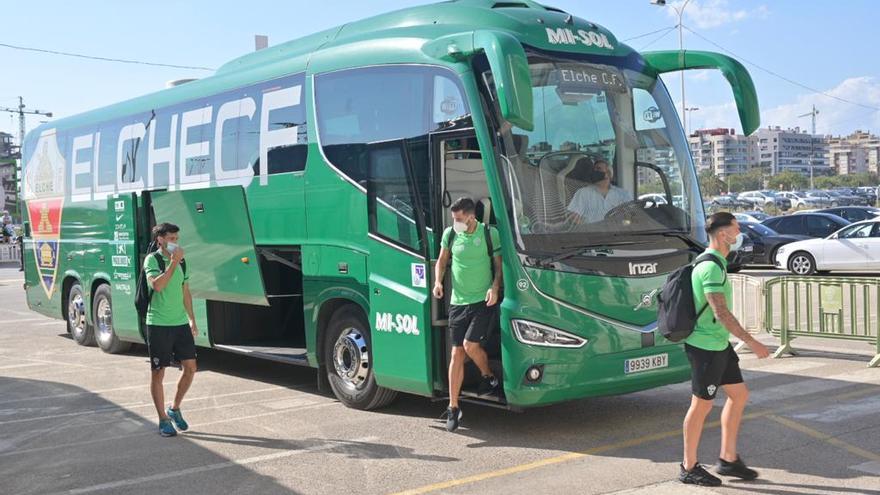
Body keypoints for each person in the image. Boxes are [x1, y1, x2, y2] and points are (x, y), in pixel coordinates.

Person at [679, 212, 770, 486]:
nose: (739, 233)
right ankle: (688, 466)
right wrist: (752, 341)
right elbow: (721, 312)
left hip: (719, 344)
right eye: (736, 228)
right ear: (723, 235)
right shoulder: (710, 267)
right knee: (701, 406)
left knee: (739, 395)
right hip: (705, 347)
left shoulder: (717, 261)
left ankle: (728, 459)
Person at [433, 197, 502, 432]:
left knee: (470, 346)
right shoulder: (450, 234)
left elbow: (499, 266)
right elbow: (442, 260)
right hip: (457, 303)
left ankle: (488, 375)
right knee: (456, 353)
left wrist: (494, 288)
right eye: (454, 219)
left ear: (471, 216)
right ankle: (453, 407)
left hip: (482, 301)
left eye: (459, 219)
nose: (456, 223)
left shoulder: (489, 234)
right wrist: (438, 282)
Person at [144, 223, 198, 437]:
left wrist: (192, 319)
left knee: (191, 368)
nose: (175, 242)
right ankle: (162, 419)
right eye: (171, 238)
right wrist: (173, 263)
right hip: (158, 324)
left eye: (177, 238)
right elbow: (158, 285)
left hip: (180, 323)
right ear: (160, 240)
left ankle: (174, 408)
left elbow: (185, 291)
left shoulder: (183, 262)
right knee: (159, 372)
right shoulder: (152, 260)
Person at [566, 158, 630, 224]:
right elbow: (573, 217)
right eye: (593, 170)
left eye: (598, 168)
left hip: (617, 232)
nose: (594, 171)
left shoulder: (622, 194)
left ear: (608, 173)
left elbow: (630, 217)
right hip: (593, 232)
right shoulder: (583, 193)